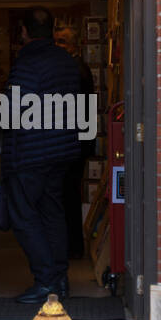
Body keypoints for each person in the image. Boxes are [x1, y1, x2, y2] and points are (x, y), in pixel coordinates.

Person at [0, 7, 82, 304]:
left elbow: (11, 110)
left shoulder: (28, 63)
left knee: (24, 216)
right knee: (53, 214)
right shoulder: (67, 61)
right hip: (62, 151)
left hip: (31, 153)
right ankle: (60, 279)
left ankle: (46, 281)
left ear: (24, 31)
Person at [54, 25, 96, 260]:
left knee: (68, 194)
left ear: (74, 46)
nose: (58, 46)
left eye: (62, 42)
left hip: (74, 141)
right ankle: (72, 245)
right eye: (56, 41)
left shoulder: (76, 70)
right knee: (68, 194)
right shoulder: (77, 68)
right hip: (78, 140)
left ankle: (72, 247)